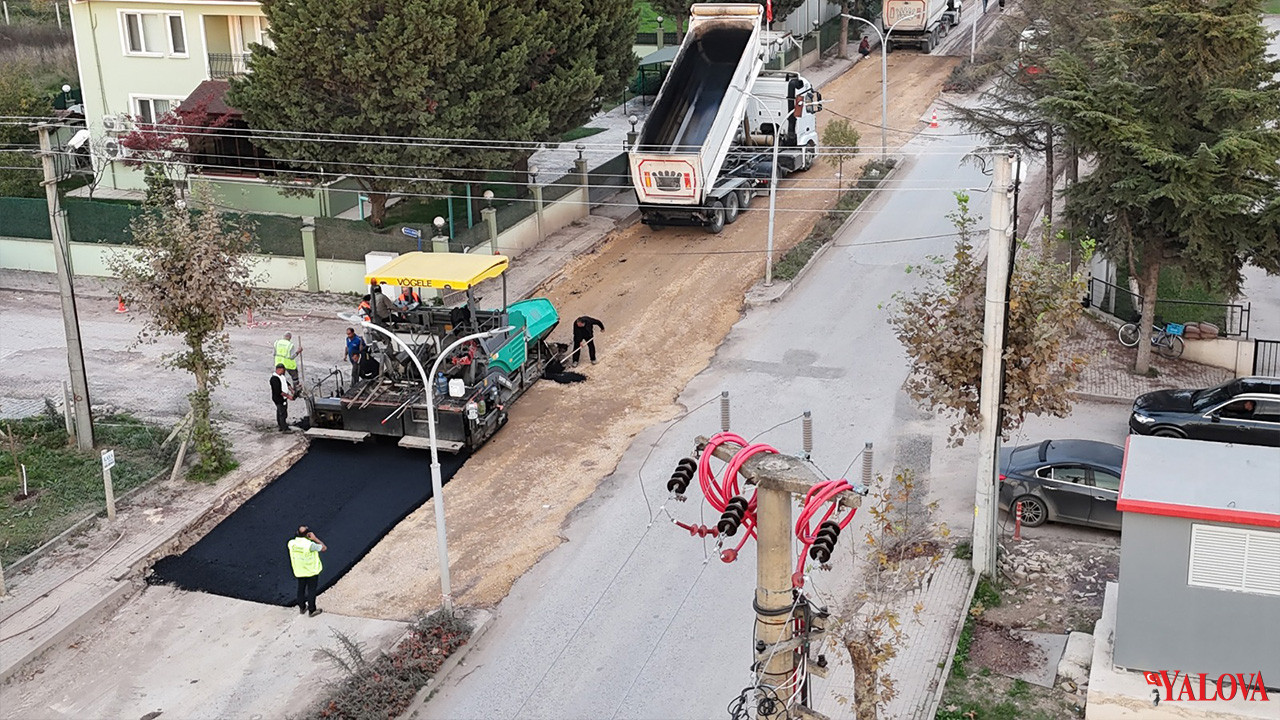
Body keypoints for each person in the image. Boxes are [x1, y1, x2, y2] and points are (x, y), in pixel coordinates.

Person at [287, 525, 326, 617]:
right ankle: (312, 610)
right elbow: (323, 548)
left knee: (301, 589)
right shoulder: (310, 545)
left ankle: (302, 607)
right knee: (311, 590)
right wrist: (315, 538)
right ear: (308, 534)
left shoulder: (291, 543)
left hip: (299, 570)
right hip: (311, 571)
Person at [270, 364, 292, 432]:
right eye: (283, 370)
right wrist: (288, 396)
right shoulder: (274, 379)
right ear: (278, 369)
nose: (284, 372)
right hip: (279, 398)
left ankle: (281, 425)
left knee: (280, 411)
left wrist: (292, 390)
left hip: (283, 398)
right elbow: (278, 391)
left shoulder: (282, 376)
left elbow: (287, 383)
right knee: (282, 413)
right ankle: (284, 428)